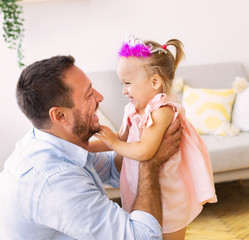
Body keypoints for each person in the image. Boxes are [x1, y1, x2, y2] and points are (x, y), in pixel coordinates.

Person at [0, 55, 183, 240]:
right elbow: (143, 237)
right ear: (60, 115)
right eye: (89, 95)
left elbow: (113, 169)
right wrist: (149, 162)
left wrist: (135, 138)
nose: (100, 97)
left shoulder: (47, 142)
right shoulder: (56, 182)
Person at [88, 35, 217, 240]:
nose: (123, 90)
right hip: (138, 189)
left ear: (155, 82)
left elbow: (143, 150)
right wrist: (87, 147)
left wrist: (114, 141)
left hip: (166, 195)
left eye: (127, 83)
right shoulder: (132, 109)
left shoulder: (162, 111)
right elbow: (121, 141)